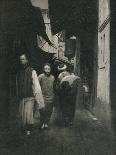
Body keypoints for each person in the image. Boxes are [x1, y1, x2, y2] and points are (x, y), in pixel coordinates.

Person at [16, 54, 44, 135]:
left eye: (23, 59)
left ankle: (29, 129)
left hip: (30, 96)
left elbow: (36, 85)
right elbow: (17, 85)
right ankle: (24, 129)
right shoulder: (19, 72)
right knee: (22, 114)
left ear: (27, 60)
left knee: (28, 114)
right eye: (20, 59)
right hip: (22, 97)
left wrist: (38, 99)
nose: (22, 61)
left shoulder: (32, 71)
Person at [38, 63, 55, 129]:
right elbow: (36, 86)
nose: (47, 70)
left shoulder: (53, 77)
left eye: (48, 69)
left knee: (49, 111)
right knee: (42, 111)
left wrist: (53, 96)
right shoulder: (40, 76)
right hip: (42, 97)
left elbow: (53, 87)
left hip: (50, 97)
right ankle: (42, 123)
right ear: (43, 69)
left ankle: (46, 123)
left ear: (50, 69)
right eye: (46, 69)